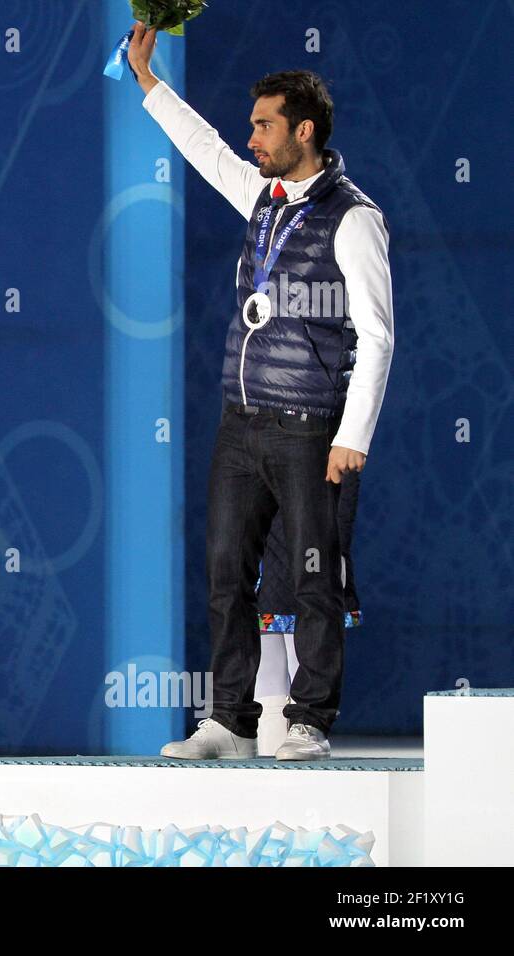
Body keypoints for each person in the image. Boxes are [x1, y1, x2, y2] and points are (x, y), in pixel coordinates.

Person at [123, 22, 394, 760]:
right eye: (252, 126)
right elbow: (204, 147)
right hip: (241, 424)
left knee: (313, 579)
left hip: (311, 429)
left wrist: (353, 437)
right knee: (225, 576)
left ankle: (308, 720)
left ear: (303, 131)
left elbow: (378, 336)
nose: (251, 139)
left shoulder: (353, 218)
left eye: (263, 126)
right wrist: (148, 83)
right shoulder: (263, 197)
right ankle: (230, 721)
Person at [253, 469, 362, 755]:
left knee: (301, 648)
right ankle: (268, 751)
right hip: (266, 556)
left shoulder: (334, 444)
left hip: (309, 556)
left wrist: (334, 559)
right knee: (266, 653)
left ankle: (303, 737)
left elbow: (341, 515)